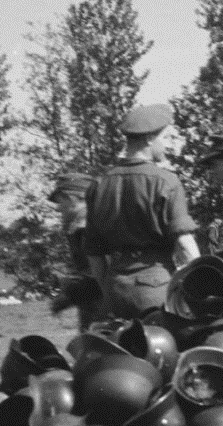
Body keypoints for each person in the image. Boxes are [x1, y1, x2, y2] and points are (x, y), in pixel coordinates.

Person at [84, 105, 200, 320]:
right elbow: (185, 244)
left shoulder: (98, 184)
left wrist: (108, 289)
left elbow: (94, 252)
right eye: (164, 138)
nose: (167, 145)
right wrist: (201, 284)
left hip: (115, 287)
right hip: (155, 287)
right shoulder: (167, 182)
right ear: (149, 139)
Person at [49, 172, 105, 328]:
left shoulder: (85, 229)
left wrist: (69, 295)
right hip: (95, 309)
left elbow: (100, 277)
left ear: (73, 199)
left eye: (60, 202)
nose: (58, 209)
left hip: (102, 312)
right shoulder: (86, 225)